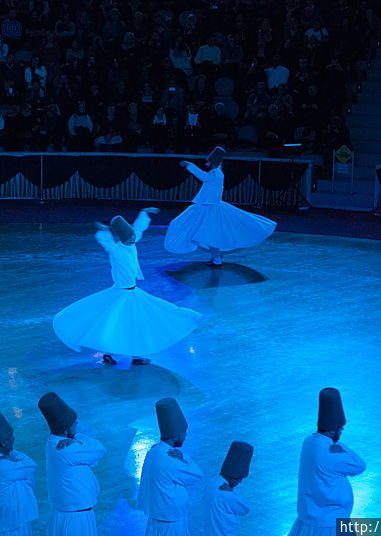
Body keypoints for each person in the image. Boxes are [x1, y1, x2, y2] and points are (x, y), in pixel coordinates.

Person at [53, 208, 201, 366]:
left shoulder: (131, 243)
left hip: (133, 293)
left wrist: (144, 213)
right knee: (115, 324)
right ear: (124, 239)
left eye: (133, 237)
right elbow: (107, 243)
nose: (133, 239)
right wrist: (103, 231)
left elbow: (138, 229)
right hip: (120, 294)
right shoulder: (117, 250)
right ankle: (111, 353)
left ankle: (134, 354)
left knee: (135, 323)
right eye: (130, 238)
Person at [164, 147, 277, 266]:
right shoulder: (214, 173)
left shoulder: (216, 174)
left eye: (208, 161)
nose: (206, 163)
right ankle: (216, 256)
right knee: (199, 234)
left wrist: (188, 165)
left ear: (213, 161)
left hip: (211, 210)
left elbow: (202, 176)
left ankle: (217, 258)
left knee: (210, 236)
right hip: (204, 208)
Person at [287, 388, 366, 536]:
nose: (341, 433)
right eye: (340, 430)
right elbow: (360, 465)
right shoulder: (332, 454)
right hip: (331, 525)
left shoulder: (308, 442)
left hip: (307, 521)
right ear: (332, 431)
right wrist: (341, 447)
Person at [38, 392, 106, 536]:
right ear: (66, 429)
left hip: (66, 512)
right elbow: (100, 449)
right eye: (74, 424)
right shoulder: (68, 449)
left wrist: (73, 437)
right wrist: (77, 436)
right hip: (76, 516)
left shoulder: (51, 442)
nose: (77, 425)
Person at [138, 397, 203, 536]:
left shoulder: (152, 452)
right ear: (175, 436)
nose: (185, 436)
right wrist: (184, 457)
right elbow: (197, 475)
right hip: (171, 527)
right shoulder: (171, 461)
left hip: (155, 522)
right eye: (183, 433)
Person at [0, 403, 38, 536]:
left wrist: (10, 454)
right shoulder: (2, 466)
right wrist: (12, 454)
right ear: (4, 443)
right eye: (11, 438)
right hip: (10, 528)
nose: (14, 439)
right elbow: (31, 465)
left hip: (4, 524)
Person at [203, 441, 252, 536]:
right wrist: (233, 491)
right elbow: (245, 508)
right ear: (233, 476)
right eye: (239, 478)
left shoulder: (212, 483)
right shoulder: (227, 494)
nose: (240, 482)